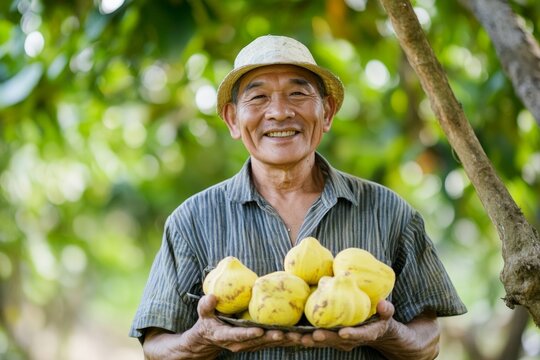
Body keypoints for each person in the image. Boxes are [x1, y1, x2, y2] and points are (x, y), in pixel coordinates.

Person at [129, 35, 467, 359]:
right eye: (258, 97)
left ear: (328, 112)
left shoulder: (391, 213)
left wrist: (386, 332)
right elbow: (155, 348)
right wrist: (200, 339)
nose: (279, 112)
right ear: (233, 120)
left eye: (297, 94)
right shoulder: (191, 220)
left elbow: (427, 343)